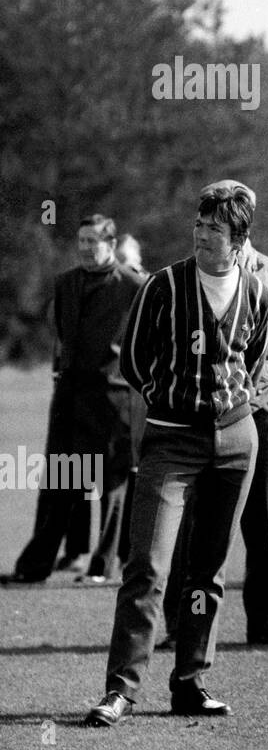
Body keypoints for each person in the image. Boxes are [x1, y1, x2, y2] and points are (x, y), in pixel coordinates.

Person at [83, 186, 268, 727]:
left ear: (239, 238)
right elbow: (137, 361)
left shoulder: (258, 292)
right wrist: (177, 405)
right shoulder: (162, 286)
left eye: (214, 226)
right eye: (199, 222)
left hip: (237, 442)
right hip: (171, 441)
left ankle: (190, 682)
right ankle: (120, 689)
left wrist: (228, 410)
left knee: (207, 571)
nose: (202, 232)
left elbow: (255, 359)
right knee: (147, 566)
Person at [160, 180, 268, 648]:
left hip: (262, 416)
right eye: (205, 219)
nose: (208, 230)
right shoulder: (186, 276)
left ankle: (265, 622)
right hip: (201, 417)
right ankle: (177, 623)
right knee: (190, 524)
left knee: (264, 524)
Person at [2, 215, 145, 587]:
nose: (84, 248)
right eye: (81, 241)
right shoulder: (65, 283)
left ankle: (102, 567)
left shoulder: (135, 285)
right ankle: (34, 568)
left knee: (110, 489)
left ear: (111, 245)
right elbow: (61, 334)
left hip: (113, 402)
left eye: (92, 242)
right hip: (70, 399)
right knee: (63, 485)